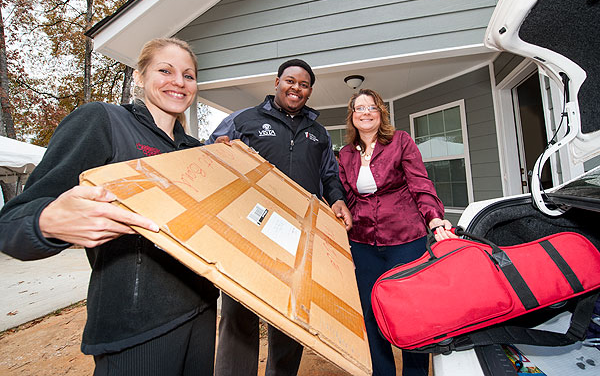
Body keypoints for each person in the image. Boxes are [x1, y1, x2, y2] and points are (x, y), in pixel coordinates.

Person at [0, 38, 219, 376]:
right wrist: (44, 223)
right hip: (137, 328)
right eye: (166, 70)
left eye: (188, 75)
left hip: (201, 309)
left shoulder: (195, 151)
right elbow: (12, 222)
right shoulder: (104, 121)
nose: (179, 81)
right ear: (139, 76)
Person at [207, 58, 352, 376]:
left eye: (303, 84)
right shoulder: (242, 120)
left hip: (297, 236)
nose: (295, 88)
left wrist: (338, 199)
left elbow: (329, 175)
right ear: (276, 82)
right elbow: (210, 157)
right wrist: (217, 151)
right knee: (238, 313)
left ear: (310, 91)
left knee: (291, 317)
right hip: (247, 231)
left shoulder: (319, 133)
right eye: (290, 81)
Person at [337, 88, 456, 376]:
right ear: (352, 117)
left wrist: (435, 220)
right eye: (359, 108)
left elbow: (420, 184)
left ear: (381, 114)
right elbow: (346, 198)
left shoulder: (400, 141)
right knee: (371, 313)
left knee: (411, 312)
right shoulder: (345, 155)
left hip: (405, 240)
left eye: (372, 107)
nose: (365, 112)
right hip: (363, 244)